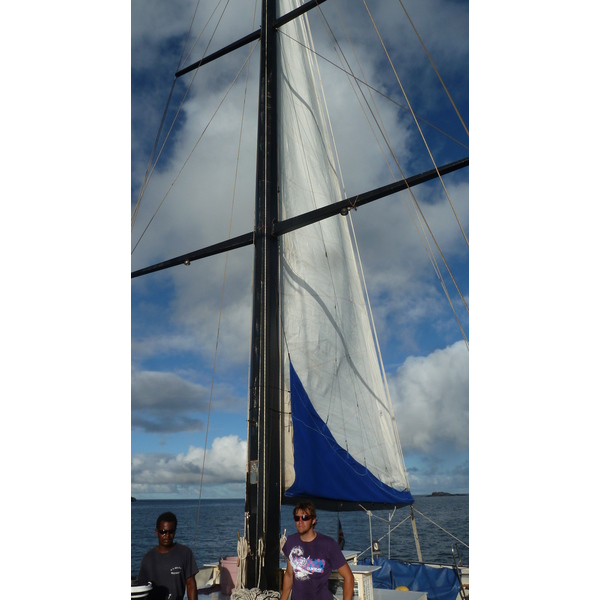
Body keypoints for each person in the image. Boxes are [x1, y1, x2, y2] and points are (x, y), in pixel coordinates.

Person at [281, 502, 354, 600]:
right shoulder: (291, 541)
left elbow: (348, 577)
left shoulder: (328, 544)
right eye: (297, 518)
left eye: (305, 518)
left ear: (313, 520)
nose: (300, 521)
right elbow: (289, 575)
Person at [138, 511, 199, 600]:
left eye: (171, 531)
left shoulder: (185, 553)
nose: (167, 535)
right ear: (157, 532)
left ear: (175, 531)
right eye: (163, 532)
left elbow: (191, 584)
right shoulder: (147, 559)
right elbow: (141, 589)